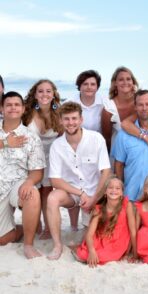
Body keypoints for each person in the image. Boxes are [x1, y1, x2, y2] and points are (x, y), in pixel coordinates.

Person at [46, 102, 111, 260]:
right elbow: (54, 180)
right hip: (73, 193)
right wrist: (80, 193)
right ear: (60, 121)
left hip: (96, 192)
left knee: (92, 237)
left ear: (81, 119)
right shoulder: (57, 146)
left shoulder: (96, 139)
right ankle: (57, 245)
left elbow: (106, 172)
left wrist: (93, 198)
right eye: (66, 119)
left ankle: (82, 231)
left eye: (74, 118)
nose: (71, 123)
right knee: (52, 198)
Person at [0, 91, 46, 258]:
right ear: (1, 109)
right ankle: (18, 229)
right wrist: (5, 143)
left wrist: (29, 182)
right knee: (3, 239)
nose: (13, 108)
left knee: (32, 193)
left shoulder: (31, 137)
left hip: (16, 185)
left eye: (17, 104)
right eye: (8, 105)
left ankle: (28, 244)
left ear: (23, 108)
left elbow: (37, 171)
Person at [111, 89, 148, 201]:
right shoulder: (123, 135)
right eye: (140, 105)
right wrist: (120, 191)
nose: (144, 108)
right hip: (130, 196)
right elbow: (119, 164)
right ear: (135, 107)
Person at [23, 79, 62, 239]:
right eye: (41, 91)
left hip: (51, 156)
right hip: (32, 157)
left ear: (53, 95)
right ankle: (35, 223)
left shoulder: (59, 112)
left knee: (47, 192)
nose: (44, 94)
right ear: (35, 94)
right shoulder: (27, 112)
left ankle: (47, 227)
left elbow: (62, 137)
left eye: (48, 91)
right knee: (34, 192)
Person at [73, 175, 137, 267]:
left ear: (122, 192)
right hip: (101, 238)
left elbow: (132, 230)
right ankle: (76, 248)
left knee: (103, 257)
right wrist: (91, 251)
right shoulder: (99, 208)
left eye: (117, 188)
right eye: (110, 188)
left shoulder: (127, 205)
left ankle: (79, 249)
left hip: (117, 242)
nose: (114, 190)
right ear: (105, 192)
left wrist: (134, 254)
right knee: (85, 255)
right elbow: (90, 234)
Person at [101, 66, 139, 152]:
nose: (125, 82)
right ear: (115, 83)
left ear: (133, 82)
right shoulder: (109, 108)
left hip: (140, 154)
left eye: (128, 79)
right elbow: (106, 139)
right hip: (117, 154)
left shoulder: (141, 102)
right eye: (121, 79)